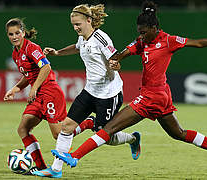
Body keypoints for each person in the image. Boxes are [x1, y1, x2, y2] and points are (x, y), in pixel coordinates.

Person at [54, 1, 207, 172]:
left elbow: (198, 43)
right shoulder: (142, 41)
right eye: (139, 33)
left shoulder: (169, 41)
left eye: (144, 32)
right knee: (178, 134)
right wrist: (116, 60)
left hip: (152, 97)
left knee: (109, 128)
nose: (141, 36)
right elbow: (125, 52)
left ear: (155, 28)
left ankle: (75, 156)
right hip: (157, 95)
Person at [33, 4, 141, 178]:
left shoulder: (101, 38)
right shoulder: (83, 38)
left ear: (89, 20)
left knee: (105, 135)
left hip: (108, 94)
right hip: (90, 91)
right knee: (66, 126)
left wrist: (116, 64)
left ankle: (133, 138)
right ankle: (55, 169)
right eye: (73, 25)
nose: (76, 28)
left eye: (78, 24)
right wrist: (57, 53)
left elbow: (115, 58)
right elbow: (77, 47)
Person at [4, 18, 68, 174]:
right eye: (11, 34)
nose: (14, 37)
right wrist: (15, 88)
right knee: (23, 129)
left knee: (58, 135)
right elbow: (28, 75)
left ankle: (88, 123)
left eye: (17, 33)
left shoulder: (32, 48)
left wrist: (34, 89)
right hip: (38, 95)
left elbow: (45, 67)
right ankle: (40, 167)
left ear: (23, 33)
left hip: (49, 92)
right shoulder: (16, 53)